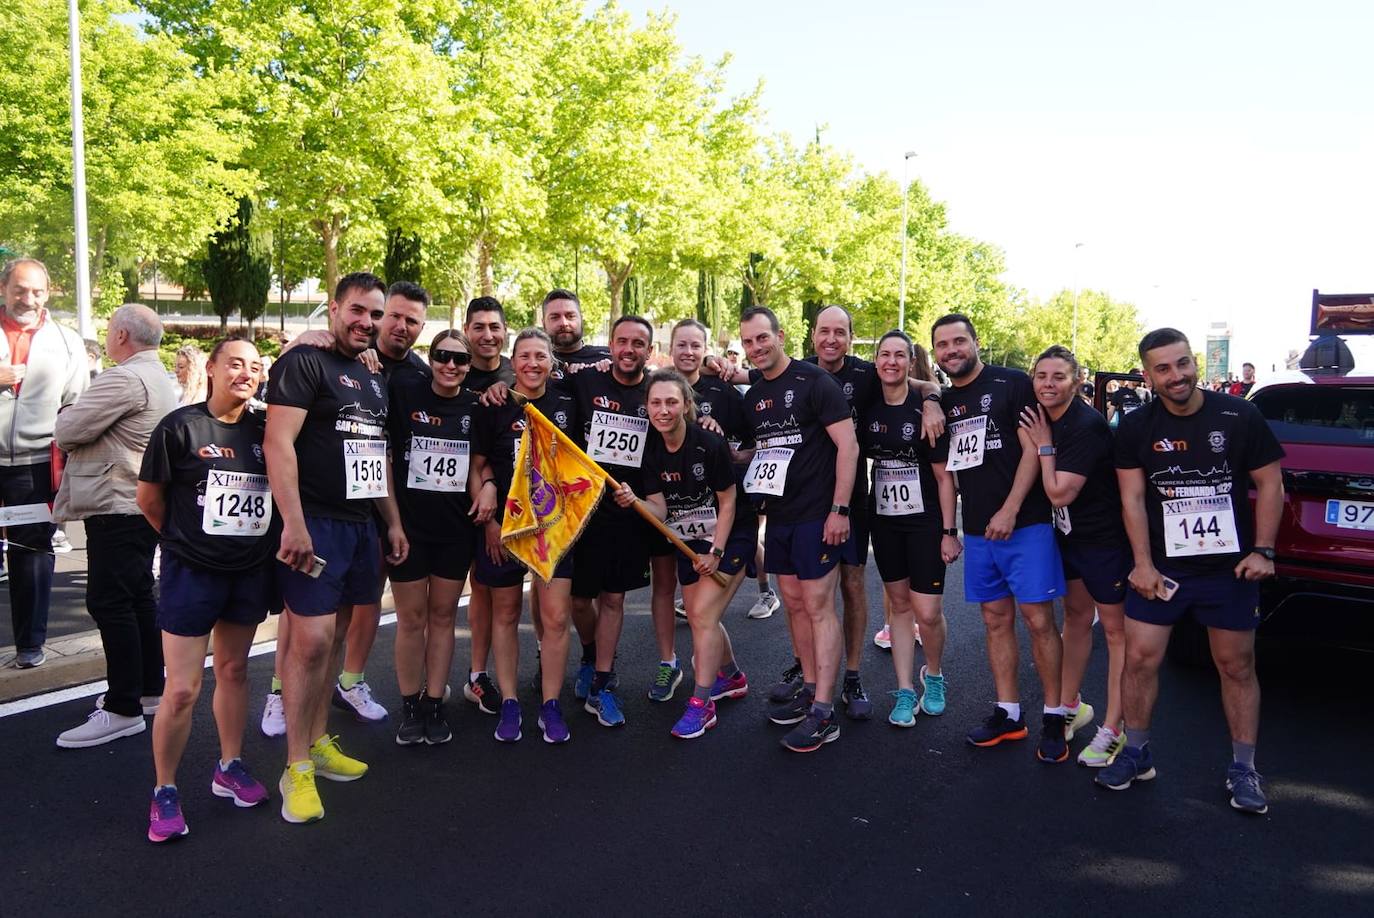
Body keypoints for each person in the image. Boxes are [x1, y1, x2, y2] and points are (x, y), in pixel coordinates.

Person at [1097, 328, 1284, 815]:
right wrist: (1141, 564)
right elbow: (1132, 498)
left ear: (1194, 362)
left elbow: (1270, 484)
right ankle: (1136, 752)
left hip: (1229, 569)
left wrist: (1263, 550)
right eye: (1163, 368)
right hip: (1162, 570)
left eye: (1182, 364)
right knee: (1139, 660)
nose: (1176, 375)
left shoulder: (1240, 415)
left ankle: (1244, 767)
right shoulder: (1136, 425)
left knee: (1236, 666)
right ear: (1147, 374)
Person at [264, 271, 407, 824]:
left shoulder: (373, 376)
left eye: (376, 314)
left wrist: (391, 521)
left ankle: (319, 742)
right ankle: (295, 766)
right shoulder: (305, 362)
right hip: (315, 523)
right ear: (334, 308)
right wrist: (293, 523)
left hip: (361, 526)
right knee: (313, 640)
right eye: (358, 311)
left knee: (340, 634)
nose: (367, 323)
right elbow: (278, 442)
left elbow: (378, 456)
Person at [137, 336, 276, 842]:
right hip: (191, 573)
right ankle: (165, 790)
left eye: (256, 366)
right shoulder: (180, 427)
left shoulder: (267, 427)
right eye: (235, 364)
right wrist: (186, 544)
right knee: (181, 688)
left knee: (236, 670)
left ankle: (229, 766)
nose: (247, 373)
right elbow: (150, 500)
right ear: (212, 369)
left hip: (249, 570)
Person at [932, 313, 1069, 762]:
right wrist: (950, 529)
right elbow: (949, 473)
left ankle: (1054, 714)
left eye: (958, 341)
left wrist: (1010, 508)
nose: (951, 350)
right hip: (978, 531)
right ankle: (1009, 712)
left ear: (975, 342)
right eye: (942, 345)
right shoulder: (946, 403)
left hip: (1025, 524)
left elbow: (1034, 446)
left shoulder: (1011, 384)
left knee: (1039, 621)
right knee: (994, 620)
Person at [54, 304, 176, 748]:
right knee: (138, 597)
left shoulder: (123, 378)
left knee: (110, 603)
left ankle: (122, 706)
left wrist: (68, 407)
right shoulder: (160, 377)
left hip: (115, 503)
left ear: (122, 335)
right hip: (139, 504)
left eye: (109, 331)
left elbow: (68, 430)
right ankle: (148, 690)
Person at [739, 306, 858, 753]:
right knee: (792, 603)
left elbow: (848, 445)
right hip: (782, 519)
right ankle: (809, 687)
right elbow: (761, 451)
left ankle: (825, 711)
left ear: (781, 336)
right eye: (748, 342)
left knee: (818, 605)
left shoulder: (814, 382)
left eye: (762, 338)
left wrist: (840, 510)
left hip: (818, 515)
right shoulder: (752, 396)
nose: (756, 348)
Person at [611, 369, 753, 739]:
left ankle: (701, 704)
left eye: (672, 401)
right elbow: (659, 509)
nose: (663, 409)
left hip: (730, 534)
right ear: (647, 407)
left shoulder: (709, 444)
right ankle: (732, 676)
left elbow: (728, 501)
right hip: (689, 541)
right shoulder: (651, 451)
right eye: (656, 402)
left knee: (703, 615)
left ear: (686, 404)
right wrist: (636, 501)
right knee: (698, 615)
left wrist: (717, 552)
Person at [1019, 346, 1130, 766]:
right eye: (1041, 375)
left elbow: (1058, 491)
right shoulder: (1043, 415)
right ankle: (1069, 706)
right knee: (1077, 618)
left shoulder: (1085, 424)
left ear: (1077, 381)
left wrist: (1045, 447)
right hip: (1069, 537)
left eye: (1058, 377)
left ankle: (1115, 727)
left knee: (1118, 634)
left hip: (1105, 540)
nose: (1048, 384)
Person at [470, 328, 581, 743]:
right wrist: (489, 517)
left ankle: (551, 705)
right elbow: (478, 466)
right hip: (504, 529)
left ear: (552, 363)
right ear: (512, 361)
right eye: (525, 356)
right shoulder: (494, 405)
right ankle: (512, 701)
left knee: (554, 618)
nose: (533, 363)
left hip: (554, 530)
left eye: (541, 356)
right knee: (505, 615)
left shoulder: (569, 402)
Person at [859, 330, 959, 726]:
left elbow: (943, 477)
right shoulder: (867, 406)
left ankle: (932, 675)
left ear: (909, 362)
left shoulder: (925, 410)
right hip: (884, 521)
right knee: (899, 607)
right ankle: (903, 690)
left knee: (928, 612)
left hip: (926, 521)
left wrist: (950, 532)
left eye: (900, 355)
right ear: (876, 360)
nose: (891, 362)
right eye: (884, 355)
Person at [387, 329, 481, 746]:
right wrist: (392, 522)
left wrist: (491, 484)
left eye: (460, 360)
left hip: (455, 531)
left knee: (443, 618)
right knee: (411, 619)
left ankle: (435, 700)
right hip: (409, 530)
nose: (450, 365)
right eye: (442, 356)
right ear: (430, 357)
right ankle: (410, 704)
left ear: (469, 366)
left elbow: (483, 464)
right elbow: (385, 458)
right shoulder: (405, 391)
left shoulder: (476, 405)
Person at [567, 315, 661, 725]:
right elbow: (535, 386)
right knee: (578, 600)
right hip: (581, 512)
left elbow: (685, 415)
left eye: (638, 343)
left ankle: (603, 680)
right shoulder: (587, 382)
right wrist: (500, 383)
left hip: (629, 513)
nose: (629, 349)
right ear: (610, 344)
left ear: (648, 350)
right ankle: (589, 653)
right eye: (622, 341)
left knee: (614, 598)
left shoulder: (656, 391)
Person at [0, 258, 88, 669]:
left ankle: (29, 647)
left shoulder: (66, 341)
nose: (28, 298)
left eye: (36, 291)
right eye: (20, 289)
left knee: (31, 557)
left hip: (35, 465)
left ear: (48, 292)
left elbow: (77, 405)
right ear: (4, 289)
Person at [668, 318, 779, 620]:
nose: (688, 351)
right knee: (698, 608)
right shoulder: (662, 390)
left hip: (725, 500)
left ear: (705, 349)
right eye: (682, 344)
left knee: (705, 614)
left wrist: (737, 453)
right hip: (682, 506)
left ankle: (765, 590)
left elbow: (758, 434)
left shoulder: (722, 390)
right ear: (670, 349)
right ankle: (723, 664)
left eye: (696, 346)